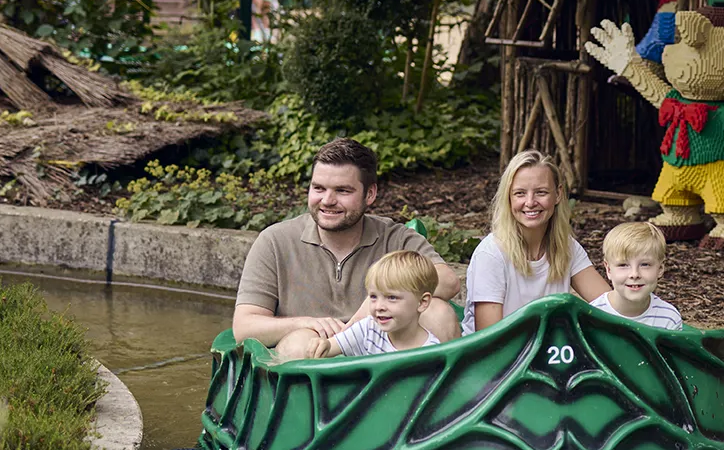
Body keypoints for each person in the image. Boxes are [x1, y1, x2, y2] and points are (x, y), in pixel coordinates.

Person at [234, 138, 462, 354]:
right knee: (301, 343)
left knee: (438, 313)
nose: (327, 200)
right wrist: (306, 323)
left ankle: (440, 392)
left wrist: (371, 306)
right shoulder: (274, 241)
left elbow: (448, 282)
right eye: (319, 188)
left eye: (342, 191)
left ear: (370, 194)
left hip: (383, 352)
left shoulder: (395, 237)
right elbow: (244, 327)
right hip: (312, 358)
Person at [463, 149, 609, 333]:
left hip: (547, 351)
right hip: (498, 354)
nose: (530, 202)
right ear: (508, 197)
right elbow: (489, 339)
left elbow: (607, 305)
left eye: (541, 192)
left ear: (558, 194)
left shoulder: (566, 246)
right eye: (520, 193)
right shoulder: (491, 253)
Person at [282, 251, 442, 360]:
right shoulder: (368, 329)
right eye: (373, 296)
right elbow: (331, 346)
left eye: (392, 298)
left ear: (422, 302)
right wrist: (323, 345)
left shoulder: (431, 351)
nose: (379, 306)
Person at [589, 221, 682, 330]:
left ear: (660, 269)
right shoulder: (592, 314)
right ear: (608, 269)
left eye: (645, 265)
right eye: (623, 265)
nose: (634, 274)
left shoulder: (669, 318)